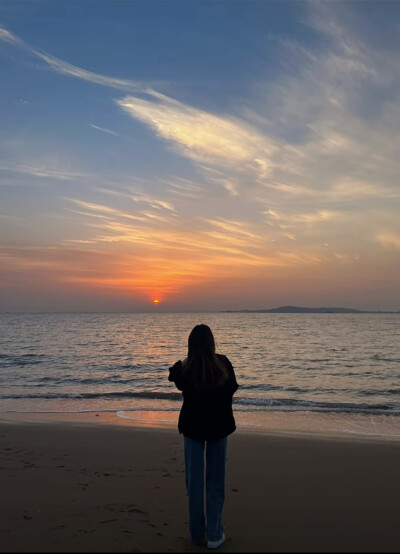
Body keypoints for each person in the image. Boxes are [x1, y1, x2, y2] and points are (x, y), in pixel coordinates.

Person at [168, 324, 239, 549]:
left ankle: (197, 534)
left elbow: (174, 376)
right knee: (215, 481)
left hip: (193, 427)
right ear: (212, 342)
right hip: (219, 427)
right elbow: (232, 388)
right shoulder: (224, 364)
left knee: (195, 482)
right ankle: (215, 533)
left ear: (190, 344)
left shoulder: (185, 368)